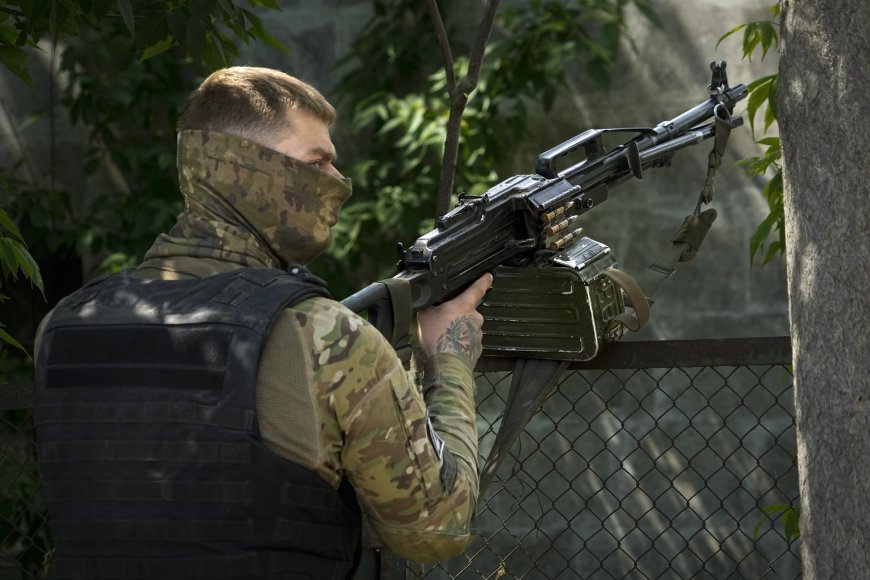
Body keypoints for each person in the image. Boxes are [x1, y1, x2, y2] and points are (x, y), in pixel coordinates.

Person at [33, 66, 493, 579]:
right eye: (317, 163)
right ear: (244, 168)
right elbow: (437, 529)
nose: (340, 185)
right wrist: (450, 360)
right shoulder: (325, 337)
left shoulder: (64, 327)